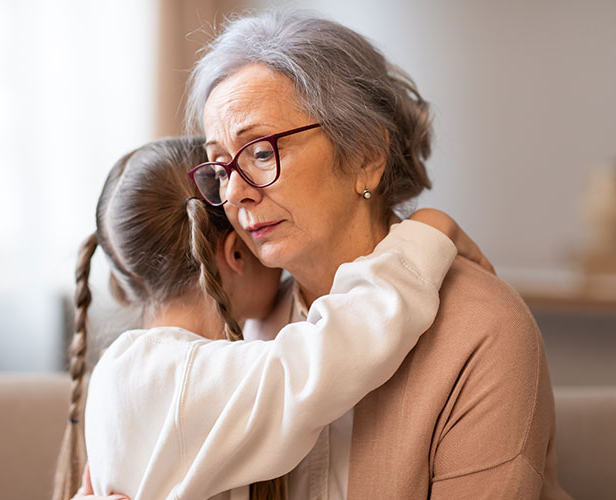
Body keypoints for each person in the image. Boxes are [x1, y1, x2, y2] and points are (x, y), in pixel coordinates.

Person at [179, 9, 570, 499]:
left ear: (367, 155)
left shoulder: (484, 332)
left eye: (259, 151)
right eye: (219, 165)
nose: (235, 193)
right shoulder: (243, 331)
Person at [54, 136, 484, 500]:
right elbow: (353, 340)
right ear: (236, 254)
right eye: (259, 237)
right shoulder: (195, 377)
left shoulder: (119, 371)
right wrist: (428, 229)